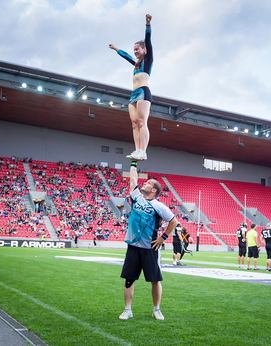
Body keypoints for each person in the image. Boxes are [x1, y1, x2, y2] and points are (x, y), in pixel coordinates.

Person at [119, 160, 178, 321]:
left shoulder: (160, 206)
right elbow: (132, 180)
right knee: (129, 279)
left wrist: (163, 237)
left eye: (148, 183)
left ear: (153, 190)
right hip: (133, 246)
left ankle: (156, 309)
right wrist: (133, 163)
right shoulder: (137, 197)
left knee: (155, 280)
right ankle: (127, 309)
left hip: (149, 248)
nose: (144, 183)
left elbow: (174, 221)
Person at [109, 14, 153, 161]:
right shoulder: (136, 64)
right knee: (134, 124)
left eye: (137, 49)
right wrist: (116, 49)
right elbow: (127, 56)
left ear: (144, 50)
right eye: (134, 49)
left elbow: (148, 41)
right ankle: (137, 150)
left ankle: (143, 151)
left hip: (143, 92)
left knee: (142, 122)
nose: (135, 51)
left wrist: (147, 25)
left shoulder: (148, 60)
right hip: (133, 94)